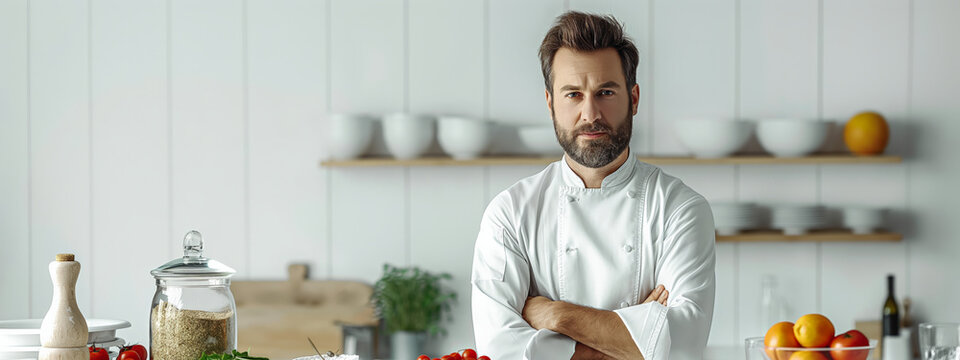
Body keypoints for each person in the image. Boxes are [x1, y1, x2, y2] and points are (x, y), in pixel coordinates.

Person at [470, 11, 716, 360]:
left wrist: (556, 315)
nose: (590, 114)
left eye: (605, 92)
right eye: (573, 94)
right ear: (550, 103)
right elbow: (498, 349)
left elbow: (684, 345)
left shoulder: (680, 209)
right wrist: (637, 340)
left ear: (633, 98)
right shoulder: (510, 213)